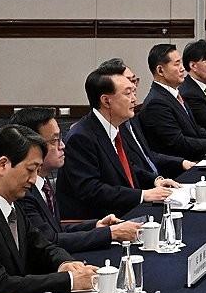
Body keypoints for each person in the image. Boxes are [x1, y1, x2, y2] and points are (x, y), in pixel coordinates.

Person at [0, 125, 97, 293]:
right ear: (3, 164)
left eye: (37, 170)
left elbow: (42, 247)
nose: (34, 179)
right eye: (30, 169)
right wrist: (70, 281)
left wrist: (66, 264)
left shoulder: (13, 205)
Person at [8, 107, 140, 253]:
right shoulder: (24, 191)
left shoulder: (43, 183)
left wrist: (96, 225)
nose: (62, 145)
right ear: (31, 145)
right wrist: (110, 233)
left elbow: (55, 228)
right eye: (55, 140)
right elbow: (49, 240)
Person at [57, 67, 182, 220]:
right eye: (127, 93)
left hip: (126, 211)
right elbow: (91, 190)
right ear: (106, 101)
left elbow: (125, 169)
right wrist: (143, 194)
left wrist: (155, 180)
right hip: (99, 223)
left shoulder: (115, 126)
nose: (134, 99)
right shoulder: (81, 138)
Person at [97, 58, 195, 179]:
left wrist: (182, 163)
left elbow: (147, 155)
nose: (133, 87)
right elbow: (126, 169)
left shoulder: (131, 117)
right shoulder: (111, 125)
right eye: (128, 83)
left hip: (157, 180)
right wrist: (154, 182)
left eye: (134, 81)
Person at [138, 43, 206, 160]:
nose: (182, 68)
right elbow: (177, 143)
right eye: (177, 64)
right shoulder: (156, 103)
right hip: (181, 167)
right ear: (160, 70)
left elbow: (194, 129)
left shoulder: (174, 94)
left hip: (195, 157)